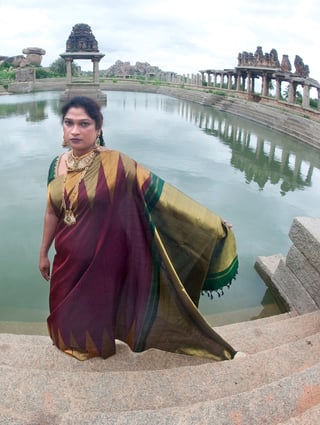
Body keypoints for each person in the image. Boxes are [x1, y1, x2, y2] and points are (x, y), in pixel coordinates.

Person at [39, 96, 239, 361]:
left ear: (98, 129)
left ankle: (93, 349)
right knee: (62, 308)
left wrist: (209, 222)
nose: (75, 130)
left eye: (84, 124)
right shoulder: (56, 164)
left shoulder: (118, 164)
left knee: (94, 310)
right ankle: (68, 342)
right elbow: (52, 211)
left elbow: (161, 197)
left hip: (101, 258)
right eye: (69, 123)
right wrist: (43, 252)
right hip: (66, 257)